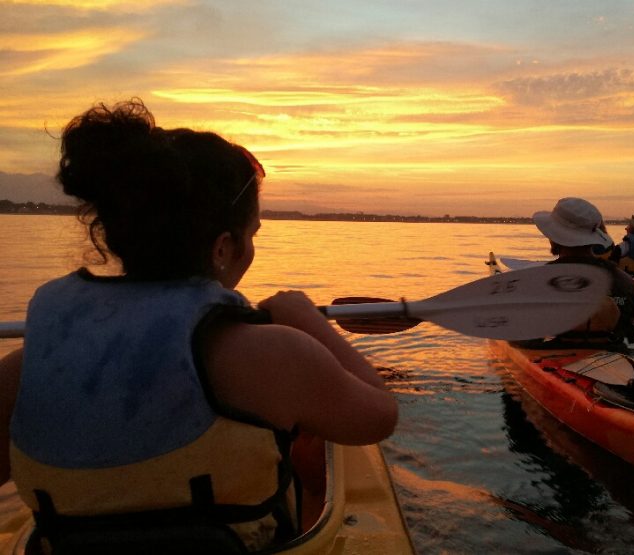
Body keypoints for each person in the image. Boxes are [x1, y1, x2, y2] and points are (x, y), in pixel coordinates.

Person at [0, 99, 398, 552]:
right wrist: (306, 319)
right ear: (224, 248)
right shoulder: (274, 357)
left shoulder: (27, 367)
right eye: (252, 235)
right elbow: (380, 416)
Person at [532, 197, 634, 344]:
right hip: (613, 353)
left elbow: (529, 335)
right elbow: (627, 322)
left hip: (557, 354)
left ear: (553, 237)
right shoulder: (625, 281)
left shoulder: (538, 280)